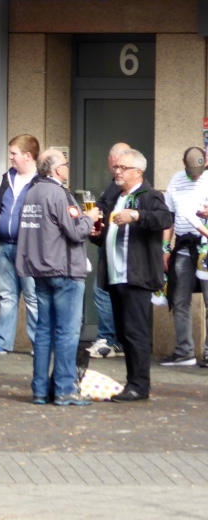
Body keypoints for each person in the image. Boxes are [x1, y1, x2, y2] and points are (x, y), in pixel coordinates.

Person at [16, 149, 100, 406]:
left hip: (39, 270)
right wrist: (90, 218)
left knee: (43, 331)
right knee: (67, 332)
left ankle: (40, 389)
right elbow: (76, 232)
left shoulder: (31, 193)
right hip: (63, 269)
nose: (67, 167)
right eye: (65, 163)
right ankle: (64, 389)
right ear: (56, 170)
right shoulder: (59, 194)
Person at [90, 148, 172, 402]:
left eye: (123, 168)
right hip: (116, 276)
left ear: (138, 171)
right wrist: (98, 235)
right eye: (116, 167)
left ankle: (139, 386)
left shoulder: (149, 195)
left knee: (137, 332)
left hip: (136, 276)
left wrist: (137, 215)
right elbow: (112, 234)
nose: (117, 172)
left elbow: (165, 218)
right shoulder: (116, 196)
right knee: (124, 333)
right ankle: (132, 382)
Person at [0, 135, 41, 355]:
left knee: (32, 296)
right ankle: (2, 342)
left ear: (28, 156)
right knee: (7, 296)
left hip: (29, 249)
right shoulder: (7, 178)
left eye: (13, 154)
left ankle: (39, 343)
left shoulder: (41, 182)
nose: (10, 158)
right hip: (4, 246)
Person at [160, 147, 208, 367]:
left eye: (199, 170)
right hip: (183, 245)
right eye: (192, 171)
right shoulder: (176, 181)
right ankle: (184, 352)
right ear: (183, 164)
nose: (196, 175)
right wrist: (165, 247)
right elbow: (169, 216)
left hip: (205, 246)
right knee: (179, 300)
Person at [88, 143, 131, 360]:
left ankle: (108, 339)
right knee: (106, 292)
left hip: (116, 249)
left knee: (102, 291)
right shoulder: (114, 186)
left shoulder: (121, 188)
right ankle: (115, 340)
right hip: (108, 245)